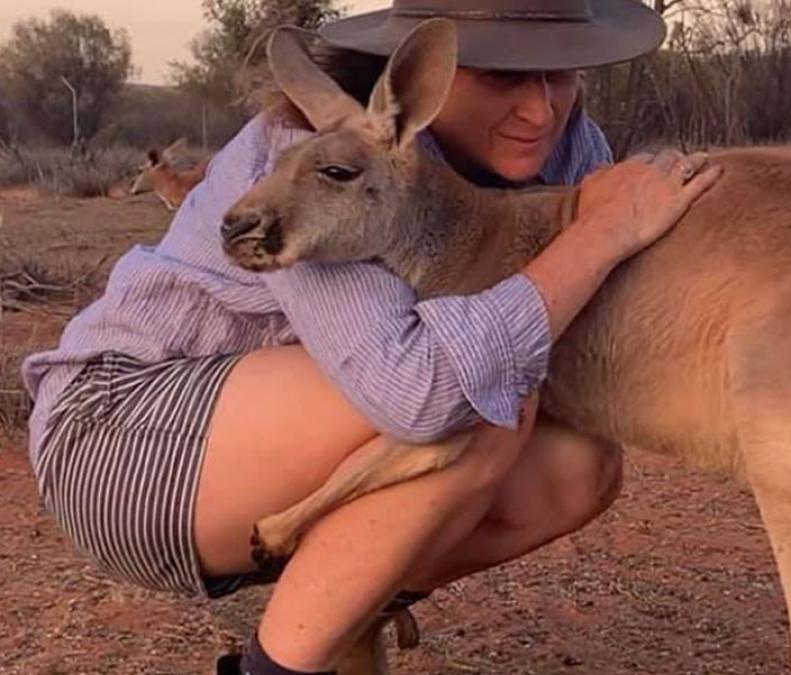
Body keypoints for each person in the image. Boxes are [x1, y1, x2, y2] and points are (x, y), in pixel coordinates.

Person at [20, 0, 721, 673]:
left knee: (577, 467)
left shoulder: (563, 145)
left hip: (280, 439)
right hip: (122, 431)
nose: (540, 109)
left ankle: (342, 613)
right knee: (484, 394)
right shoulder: (318, 162)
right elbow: (419, 392)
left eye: (560, 73)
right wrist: (600, 235)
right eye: (504, 75)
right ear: (424, 80)